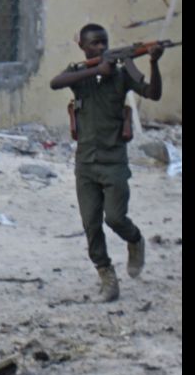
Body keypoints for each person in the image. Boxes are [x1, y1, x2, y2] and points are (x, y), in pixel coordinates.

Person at [50, 24, 164, 302]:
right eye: (95, 43)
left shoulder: (122, 75)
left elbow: (153, 93)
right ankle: (107, 276)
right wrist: (96, 70)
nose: (101, 47)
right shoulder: (79, 73)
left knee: (115, 218)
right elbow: (55, 82)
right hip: (86, 163)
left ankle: (134, 240)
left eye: (104, 42)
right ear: (83, 47)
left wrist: (153, 63)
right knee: (91, 224)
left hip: (114, 162)